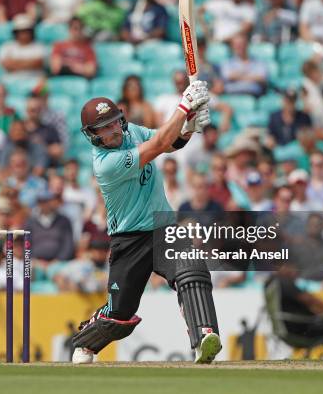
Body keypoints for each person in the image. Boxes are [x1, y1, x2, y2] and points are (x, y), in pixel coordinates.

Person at [72, 80, 222, 365]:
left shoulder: (133, 132)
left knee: (192, 268)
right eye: (103, 128)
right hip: (128, 238)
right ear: (92, 135)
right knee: (120, 314)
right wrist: (184, 106)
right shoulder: (106, 164)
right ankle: (85, 341)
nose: (113, 130)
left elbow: (172, 142)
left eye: (114, 123)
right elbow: (158, 144)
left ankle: (204, 337)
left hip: (163, 226)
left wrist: (189, 126)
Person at [0, 14, 47, 79]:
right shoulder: (7, 46)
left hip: (34, 80)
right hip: (11, 81)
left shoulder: (40, 46)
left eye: (27, 31)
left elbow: (38, 63)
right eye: (21, 31)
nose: (24, 34)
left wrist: (15, 63)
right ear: (15, 33)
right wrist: (29, 63)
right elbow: (6, 65)